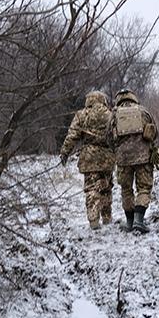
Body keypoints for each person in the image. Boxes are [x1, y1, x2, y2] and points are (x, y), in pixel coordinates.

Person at [60, 91, 115, 230]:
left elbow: (72, 136)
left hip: (89, 158)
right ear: (103, 100)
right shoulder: (110, 115)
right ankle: (107, 217)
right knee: (106, 187)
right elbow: (116, 136)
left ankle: (93, 219)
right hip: (107, 157)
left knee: (91, 188)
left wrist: (65, 152)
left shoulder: (82, 115)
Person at [109, 89, 159, 233]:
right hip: (143, 158)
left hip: (123, 160)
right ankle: (139, 220)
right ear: (134, 98)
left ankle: (130, 222)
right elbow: (155, 132)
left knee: (126, 190)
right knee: (144, 188)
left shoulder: (114, 114)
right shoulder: (143, 112)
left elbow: (108, 137)